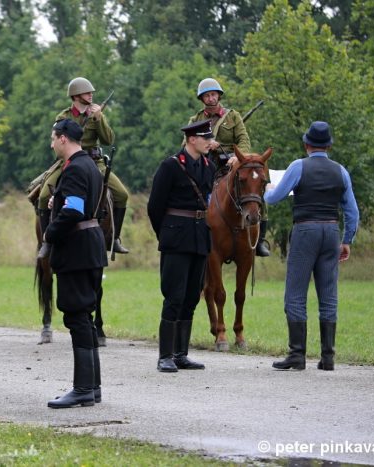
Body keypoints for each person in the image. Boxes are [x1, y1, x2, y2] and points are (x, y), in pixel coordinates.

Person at [264, 121, 359, 371]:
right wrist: (347, 240)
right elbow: (353, 211)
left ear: (307, 145)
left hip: (305, 229)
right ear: (328, 146)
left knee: (295, 293)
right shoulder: (341, 171)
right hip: (331, 231)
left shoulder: (298, 166)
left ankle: (297, 355)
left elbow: (273, 199)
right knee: (328, 295)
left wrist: (267, 189)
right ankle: (328, 358)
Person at [44, 119, 107, 408]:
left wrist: (50, 231)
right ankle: (92, 387)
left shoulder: (74, 169)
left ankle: (83, 388)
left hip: (77, 252)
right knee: (85, 317)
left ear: (63, 139)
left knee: (77, 317)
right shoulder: (90, 166)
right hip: (90, 248)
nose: (51, 143)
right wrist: (56, 203)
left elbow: (74, 211)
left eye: (53, 138)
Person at [147, 120, 217, 372]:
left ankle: (180, 354)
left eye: (210, 137)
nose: (210, 141)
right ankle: (165, 355)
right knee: (174, 296)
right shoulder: (171, 166)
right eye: (205, 137)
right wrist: (166, 233)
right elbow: (155, 206)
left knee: (191, 296)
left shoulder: (208, 166)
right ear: (191, 140)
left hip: (200, 236)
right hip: (176, 237)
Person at [37, 77, 130, 258]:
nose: (91, 95)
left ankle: (114, 238)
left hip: (95, 162)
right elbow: (65, 138)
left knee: (122, 194)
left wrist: (100, 118)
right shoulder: (63, 117)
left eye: (91, 93)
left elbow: (108, 140)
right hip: (69, 162)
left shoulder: (97, 114)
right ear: (76, 95)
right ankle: (46, 242)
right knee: (43, 197)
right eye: (87, 92)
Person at [186, 77, 271, 257]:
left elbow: (243, 139)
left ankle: (260, 238)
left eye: (214, 94)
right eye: (207, 96)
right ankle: (193, 231)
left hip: (232, 163)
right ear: (202, 99)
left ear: (219, 95)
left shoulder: (233, 116)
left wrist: (238, 158)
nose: (211, 98)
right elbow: (187, 145)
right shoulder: (195, 119)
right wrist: (209, 144)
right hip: (206, 163)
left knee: (257, 182)